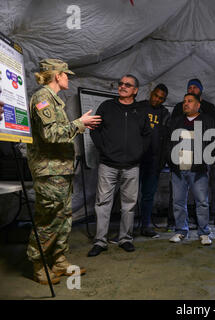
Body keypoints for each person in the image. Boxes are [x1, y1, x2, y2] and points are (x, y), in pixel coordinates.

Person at [26, 58, 101, 284]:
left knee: (63, 218)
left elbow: (58, 131)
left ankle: (58, 260)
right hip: (49, 173)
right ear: (57, 76)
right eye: (66, 74)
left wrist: (79, 124)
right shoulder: (42, 98)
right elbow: (50, 134)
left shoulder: (54, 100)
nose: (68, 77)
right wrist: (79, 123)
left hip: (60, 171)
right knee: (47, 220)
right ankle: (38, 263)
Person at [88, 74, 151, 257]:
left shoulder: (140, 111)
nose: (122, 86)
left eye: (127, 85)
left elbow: (147, 136)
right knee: (102, 203)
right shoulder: (107, 107)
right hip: (108, 165)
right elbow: (94, 129)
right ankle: (100, 241)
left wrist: (137, 153)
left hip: (132, 166)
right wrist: (104, 149)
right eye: (121, 84)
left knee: (129, 205)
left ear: (135, 90)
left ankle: (125, 239)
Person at [171, 79, 215, 226]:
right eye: (190, 87)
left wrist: (210, 157)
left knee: (203, 196)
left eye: (195, 88)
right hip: (181, 158)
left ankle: (205, 226)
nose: (192, 89)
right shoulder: (179, 110)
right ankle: (177, 225)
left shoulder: (209, 109)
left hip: (202, 159)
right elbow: (171, 135)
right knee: (178, 198)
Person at [168, 93, 215, 245]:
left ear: (198, 105)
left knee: (202, 201)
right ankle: (181, 231)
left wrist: (205, 162)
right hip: (178, 168)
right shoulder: (176, 121)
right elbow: (168, 143)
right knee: (178, 201)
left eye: (190, 101)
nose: (186, 104)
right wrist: (170, 162)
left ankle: (204, 233)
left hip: (198, 170)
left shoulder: (207, 121)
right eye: (184, 102)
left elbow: (214, 143)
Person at [138, 84, 170, 238]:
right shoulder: (139, 107)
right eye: (156, 96)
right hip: (136, 160)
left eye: (161, 98)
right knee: (128, 195)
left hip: (154, 162)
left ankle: (146, 225)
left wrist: (161, 162)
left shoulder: (165, 114)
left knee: (148, 195)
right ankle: (127, 227)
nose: (157, 100)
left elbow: (167, 141)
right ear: (151, 93)